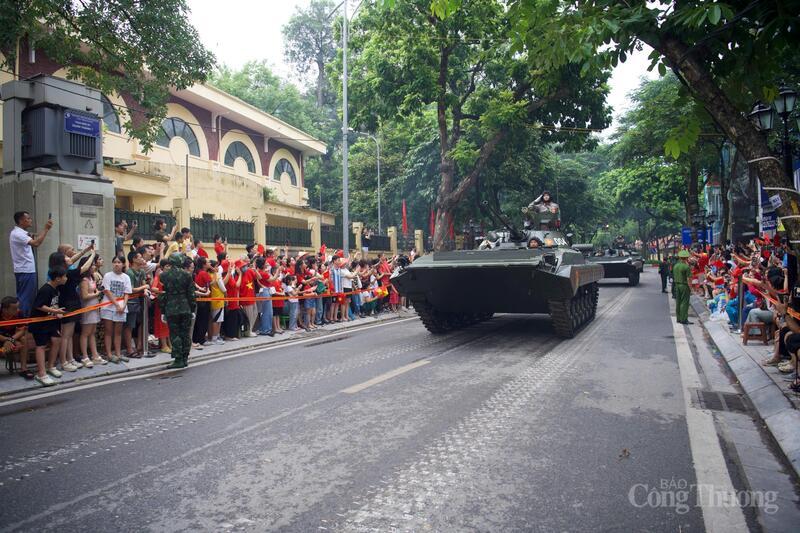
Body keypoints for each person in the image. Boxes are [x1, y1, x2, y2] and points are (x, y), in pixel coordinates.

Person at [27, 266, 67, 387]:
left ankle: (51, 366)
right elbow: (39, 305)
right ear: (58, 278)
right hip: (39, 322)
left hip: (51, 321)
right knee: (41, 346)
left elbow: (52, 304)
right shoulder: (45, 289)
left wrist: (56, 312)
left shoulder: (55, 289)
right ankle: (41, 373)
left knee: (56, 340)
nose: (66, 278)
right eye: (64, 276)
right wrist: (55, 311)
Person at [10, 211, 53, 316]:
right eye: (28, 218)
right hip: (26, 270)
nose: (30, 220)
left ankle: (23, 321)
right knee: (26, 297)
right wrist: (46, 229)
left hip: (24, 269)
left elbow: (34, 238)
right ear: (21, 221)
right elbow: (36, 243)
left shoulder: (21, 233)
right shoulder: (18, 233)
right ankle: (24, 322)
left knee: (24, 296)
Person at [159, 254, 196, 369]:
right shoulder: (187, 275)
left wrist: (163, 310)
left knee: (175, 334)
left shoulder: (164, 275)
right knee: (185, 333)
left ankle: (178, 359)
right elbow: (191, 294)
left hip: (171, 307)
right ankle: (185, 358)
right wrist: (193, 308)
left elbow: (164, 294)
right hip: (185, 307)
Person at [0, 296, 33, 379]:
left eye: (18, 307)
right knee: (2, 351)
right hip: (2, 339)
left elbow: (22, 331)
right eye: (14, 308)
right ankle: (2, 351)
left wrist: (11, 340)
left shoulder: (19, 314)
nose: (17, 310)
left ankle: (24, 369)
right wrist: (6, 341)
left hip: (12, 338)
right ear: (5, 310)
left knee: (23, 339)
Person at [673, 250, 692, 325]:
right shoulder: (686, 267)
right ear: (686, 258)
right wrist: (691, 288)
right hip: (684, 286)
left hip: (676, 285)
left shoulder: (676, 266)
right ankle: (684, 319)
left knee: (678, 302)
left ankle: (678, 318)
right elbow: (688, 279)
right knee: (684, 302)